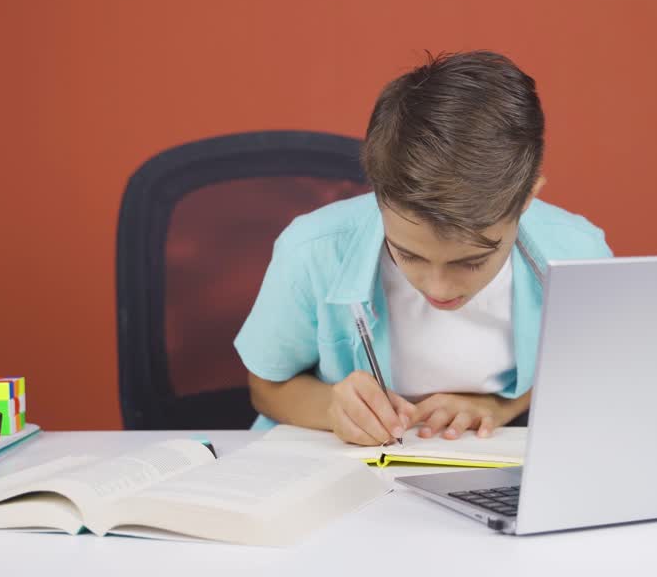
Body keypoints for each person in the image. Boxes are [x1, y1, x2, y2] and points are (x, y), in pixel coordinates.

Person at [234, 51, 612, 445]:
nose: (438, 289)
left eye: (472, 262)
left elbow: (582, 370)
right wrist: (331, 406)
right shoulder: (311, 250)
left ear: (527, 198)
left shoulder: (578, 254)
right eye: (409, 255)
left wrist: (501, 406)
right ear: (378, 197)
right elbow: (266, 388)